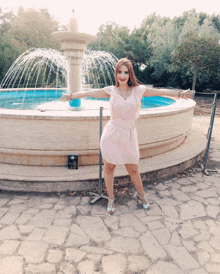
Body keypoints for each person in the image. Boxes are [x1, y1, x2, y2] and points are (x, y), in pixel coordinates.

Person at [61, 58, 193, 214]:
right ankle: (111, 198)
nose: (122, 75)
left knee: (133, 170)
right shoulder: (112, 91)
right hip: (112, 134)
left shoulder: (138, 91)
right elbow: (90, 93)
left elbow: (160, 91)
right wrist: (71, 96)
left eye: (125, 72)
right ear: (116, 73)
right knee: (109, 168)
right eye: (119, 72)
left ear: (130, 74)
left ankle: (142, 196)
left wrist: (180, 94)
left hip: (129, 135)